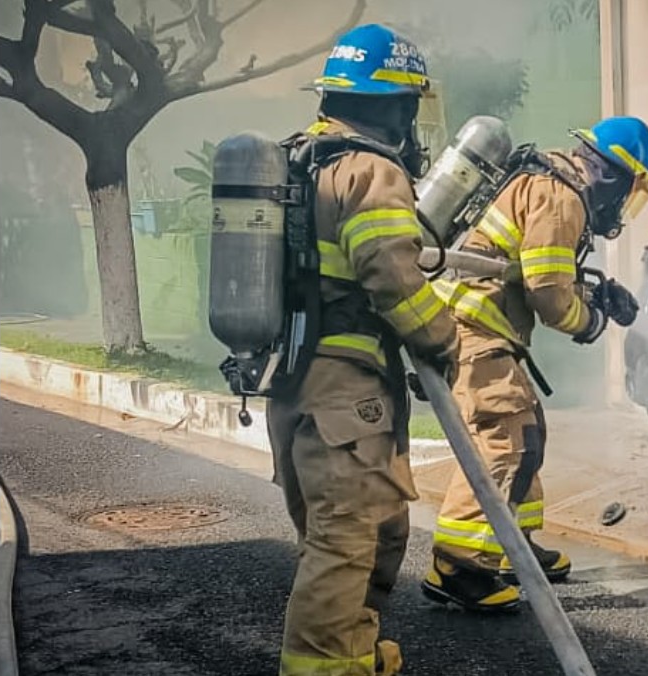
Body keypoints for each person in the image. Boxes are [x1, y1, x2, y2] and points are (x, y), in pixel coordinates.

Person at [265, 24, 459, 675]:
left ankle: (354, 647)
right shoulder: (370, 170)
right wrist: (444, 338)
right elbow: (391, 276)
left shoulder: (299, 160)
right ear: (396, 105)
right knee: (344, 543)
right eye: (410, 105)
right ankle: (326, 665)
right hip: (343, 397)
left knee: (374, 531)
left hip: (294, 389)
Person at [420, 117, 648, 611]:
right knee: (505, 439)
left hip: (475, 323)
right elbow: (549, 296)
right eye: (629, 191)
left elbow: (530, 267)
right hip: (471, 326)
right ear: (613, 176)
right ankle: (460, 565)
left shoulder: (548, 180)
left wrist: (599, 294)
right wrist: (590, 321)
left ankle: (513, 546)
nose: (621, 207)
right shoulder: (561, 198)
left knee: (529, 429)